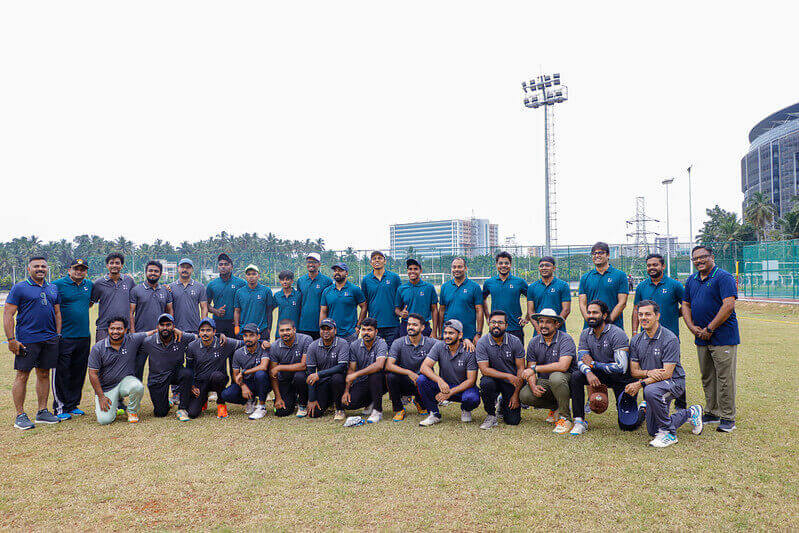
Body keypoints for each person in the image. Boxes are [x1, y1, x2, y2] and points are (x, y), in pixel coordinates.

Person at [625, 300, 704, 447]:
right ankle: (691, 413)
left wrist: (641, 382)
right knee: (653, 430)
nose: (643, 318)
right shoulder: (636, 340)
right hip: (655, 384)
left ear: (657, 316)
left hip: (674, 383)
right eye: (640, 314)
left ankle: (669, 433)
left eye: (648, 314)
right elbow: (634, 371)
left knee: (650, 390)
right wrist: (649, 372)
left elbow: (667, 373)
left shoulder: (669, 338)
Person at [682, 245, 740, 433]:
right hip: (701, 338)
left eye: (702, 257)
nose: (698, 261)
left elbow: (728, 305)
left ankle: (727, 417)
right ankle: (712, 412)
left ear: (711, 257)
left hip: (723, 337)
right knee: (707, 377)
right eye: (695, 259)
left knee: (725, 378)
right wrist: (692, 328)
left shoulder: (723, 277)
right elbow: (685, 305)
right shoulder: (692, 280)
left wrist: (710, 328)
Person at [4, 256, 62, 429]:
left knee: (44, 374)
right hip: (27, 340)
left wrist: (57, 334)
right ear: (29, 269)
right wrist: (11, 339)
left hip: (49, 339)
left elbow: (57, 312)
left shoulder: (52, 288)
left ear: (47, 268)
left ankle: (42, 411)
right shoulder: (20, 288)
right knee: (22, 375)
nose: (40, 269)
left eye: (43, 266)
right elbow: (8, 314)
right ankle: (20, 415)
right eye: (36, 266)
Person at [569, 299, 642, 435]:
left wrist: (593, 364)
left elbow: (621, 367)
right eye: (589, 312)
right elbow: (581, 360)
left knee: (628, 426)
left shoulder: (617, 333)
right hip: (597, 374)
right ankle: (579, 421)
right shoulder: (586, 333)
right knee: (576, 376)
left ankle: (643, 410)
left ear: (604, 315)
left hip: (620, 378)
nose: (591, 315)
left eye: (595, 313)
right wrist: (589, 373)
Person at [632, 253, 687, 409]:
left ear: (663, 266)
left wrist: (675, 315)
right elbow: (636, 310)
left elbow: (686, 306)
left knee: (674, 369)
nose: (651, 268)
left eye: (655, 265)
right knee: (649, 366)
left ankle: (681, 405)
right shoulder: (642, 286)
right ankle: (651, 398)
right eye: (649, 265)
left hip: (669, 336)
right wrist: (635, 332)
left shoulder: (675, 285)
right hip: (647, 336)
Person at [519, 309, 576, 434]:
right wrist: (533, 386)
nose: (543, 325)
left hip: (567, 382)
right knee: (525, 395)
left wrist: (535, 369)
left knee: (556, 377)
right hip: (547, 382)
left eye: (548, 322)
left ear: (556, 324)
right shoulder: (534, 341)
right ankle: (555, 406)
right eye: (541, 321)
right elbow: (530, 369)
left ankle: (565, 418)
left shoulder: (565, 339)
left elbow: (563, 366)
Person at [416, 319, 480, 426]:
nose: (447, 336)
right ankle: (434, 413)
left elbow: (471, 380)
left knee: (471, 399)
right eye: (445, 333)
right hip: (445, 387)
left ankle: (465, 409)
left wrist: (451, 392)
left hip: (463, 388)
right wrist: (439, 380)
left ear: (460, 335)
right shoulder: (439, 346)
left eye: (451, 333)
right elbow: (424, 367)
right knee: (421, 380)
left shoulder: (469, 350)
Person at [87, 316, 149, 424]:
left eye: (119, 329)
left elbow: (151, 333)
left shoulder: (132, 340)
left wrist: (173, 330)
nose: (115, 331)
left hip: (125, 382)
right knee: (104, 420)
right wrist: (101, 397)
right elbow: (92, 374)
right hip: (106, 388)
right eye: (112, 329)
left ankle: (132, 411)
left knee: (137, 386)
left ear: (125, 330)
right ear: (108, 330)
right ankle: (113, 406)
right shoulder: (98, 348)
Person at [51, 258, 93, 420]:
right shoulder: (57, 284)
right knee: (62, 372)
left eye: (82, 269)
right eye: (76, 268)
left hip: (83, 336)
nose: (79, 271)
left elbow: (89, 303)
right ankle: (60, 407)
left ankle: (73, 405)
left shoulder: (88, 285)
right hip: (64, 337)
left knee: (78, 372)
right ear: (69, 270)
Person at [184, 318, 244, 419]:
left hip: (218, 379)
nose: (205, 333)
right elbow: (189, 368)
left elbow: (243, 343)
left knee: (217, 376)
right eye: (202, 330)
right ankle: (203, 400)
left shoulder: (223, 343)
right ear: (199, 332)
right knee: (192, 413)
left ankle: (221, 403)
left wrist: (262, 342)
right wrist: (192, 385)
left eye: (208, 330)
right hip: (201, 382)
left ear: (214, 331)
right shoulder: (192, 346)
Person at [475, 310, 525, 429]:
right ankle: (491, 415)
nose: (496, 325)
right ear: (489, 323)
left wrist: (516, 395)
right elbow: (485, 370)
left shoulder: (515, 341)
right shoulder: (482, 342)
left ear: (506, 325)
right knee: (486, 383)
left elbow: (521, 369)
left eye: (500, 322)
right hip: (494, 380)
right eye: (493, 322)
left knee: (513, 421)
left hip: (512, 382)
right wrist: (507, 376)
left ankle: (503, 402)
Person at [140, 314, 195, 420]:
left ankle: (182, 409)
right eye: (162, 325)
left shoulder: (181, 338)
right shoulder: (148, 342)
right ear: (157, 327)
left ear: (173, 326)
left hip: (175, 373)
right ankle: (166, 403)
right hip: (158, 377)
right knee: (161, 413)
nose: (165, 328)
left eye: (168, 325)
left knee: (187, 373)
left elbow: (199, 337)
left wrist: (182, 333)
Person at [129, 260, 174, 380]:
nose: (153, 273)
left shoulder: (165, 290)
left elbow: (170, 311)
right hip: (141, 335)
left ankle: (160, 396)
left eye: (156, 271)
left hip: (160, 336)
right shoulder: (136, 290)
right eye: (150, 271)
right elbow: (130, 313)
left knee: (160, 369)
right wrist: (133, 332)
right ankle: (136, 397)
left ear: (160, 273)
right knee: (137, 369)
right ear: (146, 272)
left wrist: (170, 329)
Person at [385, 313, 434, 421]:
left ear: (423, 327)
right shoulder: (398, 342)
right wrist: (408, 372)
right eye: (409, 324)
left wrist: (467, 341)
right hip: (405, 381)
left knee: (424, 378)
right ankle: (399, 409)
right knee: (391, 376)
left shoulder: (431, 342)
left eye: (415, 325)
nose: (410, 327)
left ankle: (419, 401)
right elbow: (389, 365)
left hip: (422, 381)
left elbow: (448, 346)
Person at [221, 322, 271, 420]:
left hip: (263, 382)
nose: (248, 338)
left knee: (260, 374)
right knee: (226, 394)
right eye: (245, 336)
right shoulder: (238, 353)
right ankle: (251, 400)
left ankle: (261, 406)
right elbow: (236, 375)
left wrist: (244, 372)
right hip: (247, 383)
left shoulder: (263, 347)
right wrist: (243, 386)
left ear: (258, 336)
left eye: (252, 335)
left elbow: (263, 367)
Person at [342, 318, 387, 423]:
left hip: (380, 380)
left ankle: (377, 410)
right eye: (364, 330)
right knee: (349, 404)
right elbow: (351, 369)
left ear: (376, 331)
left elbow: (379, 365)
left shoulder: (381, 343)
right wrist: (347, 390)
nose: (366, 333)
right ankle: (371, 401)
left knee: (375, 373)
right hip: (362, 382)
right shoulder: (354, 345)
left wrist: (357, 374)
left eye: (369, 330)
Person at [578, 242, 628, 329]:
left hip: (614, 327)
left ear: (608, 255)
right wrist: (590, 320)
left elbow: (622, 303)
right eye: (594, 253)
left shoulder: (620, 275)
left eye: (600, 253)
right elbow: (582, 304)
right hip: (591, 328)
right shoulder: (585, 277)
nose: (597, 255)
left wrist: (608, 321)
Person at [305, 318, 349, 420]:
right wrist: (312, 399)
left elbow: (342, 366)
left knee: (336, 378)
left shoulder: (342, 343)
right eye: (323, 329)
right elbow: (311, 374)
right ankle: (329, 402)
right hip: (323, 383)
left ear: (335, 330)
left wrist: (319, 374)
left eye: (329, 329)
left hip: (339, 381)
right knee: (314, 414)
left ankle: (339, 409)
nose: (326, 332)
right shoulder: (313, 346)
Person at [481, 252, 529, 345]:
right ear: (496, 265)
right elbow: (483, 299)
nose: (503, 266)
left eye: (506, 263)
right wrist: (487, 317)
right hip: (496, 327)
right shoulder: (489, 282)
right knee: (495, 357)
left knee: (517, 357)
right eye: (500, 263)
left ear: (510, 265)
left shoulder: (520, 282)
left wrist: (527, 318)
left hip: (515, 327)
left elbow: (531, 299)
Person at [269, 319, 312, 417]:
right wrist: (278, 397)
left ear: (294, 330)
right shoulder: (275, 346)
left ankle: (302, 404)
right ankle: (292, 398)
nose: (285, 333)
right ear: (278, 332)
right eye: (282, 330)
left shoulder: (306, 340)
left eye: (288, 330)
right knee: (281, 412)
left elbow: (303, 365)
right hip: (285, 379)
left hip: (302, 378)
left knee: (299, 376)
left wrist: (279, 367)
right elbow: (273, 375)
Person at [360, 250, 402, 346]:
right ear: (371, 262)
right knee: (375, 355)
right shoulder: (366, 280)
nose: (377, 260)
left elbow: (400, 298)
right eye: (374, 259)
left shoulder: (394, 277)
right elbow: (364, 303)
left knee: (393, 355)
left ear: (385, 261)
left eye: (380, 258)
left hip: (392, 324)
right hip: (374, 325)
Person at [439, 258, 484, 345]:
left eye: (460, 267)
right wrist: (440, 332)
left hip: (469, 335)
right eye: (454, 267)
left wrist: (478, 333)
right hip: (449, 335)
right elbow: (441, 311)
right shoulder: (445, 287)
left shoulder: (474, 287)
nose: (456, 269)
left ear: (465, 268)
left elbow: (479, 311)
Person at [91, 253, 135, 341]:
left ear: (122, 265)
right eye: (111, 263)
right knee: (103, 354)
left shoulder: (129, 281)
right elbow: (91, 301)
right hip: (104, 328)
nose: (114, 265)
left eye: (117, 263)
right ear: (107, 265)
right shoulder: (99, 283)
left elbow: (139, 294)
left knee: (124, 354)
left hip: (124, 328)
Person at [319, 262, 366, 343]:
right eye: (335, 270)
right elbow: (323, 311)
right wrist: (322, 329)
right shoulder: (327, 291)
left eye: (340, 270)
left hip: (350, 334)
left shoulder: (354, 289)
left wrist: (358, 326)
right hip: (331, 333)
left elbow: (364, 306)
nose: (337, 272)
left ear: (346, 273)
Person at [394, 258, 438, 337]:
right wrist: (401, 313)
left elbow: (434, 309)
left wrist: (434, 331)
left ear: (420, 271)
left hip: (423, 327)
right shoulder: (401, 289)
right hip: (406, 326)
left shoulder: (429, 287)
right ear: (407, 271)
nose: (412, 271)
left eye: (415, 269)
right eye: (410, 269)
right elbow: (397, 309)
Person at [526, 256, 571, 333]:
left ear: (554, 268)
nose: (544, 268)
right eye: (541, 266)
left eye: (547, 265)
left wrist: (554, 327)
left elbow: (566, 310)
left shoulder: (563, 285)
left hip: (558, 331)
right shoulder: (532, 287)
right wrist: (538, 329)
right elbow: (530, 311)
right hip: (539, 332)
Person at [206, 253, 246, 338]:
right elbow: (206, 304)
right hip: (218, 323)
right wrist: (215, 311)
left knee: (237, 348)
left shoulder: (241, 283)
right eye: (221, 264)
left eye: (226, 264)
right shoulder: (212, 284)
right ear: (218, 267)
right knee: (219, 348)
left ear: (231, 267)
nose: (223, 266)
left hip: (236, 323)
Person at [233, 264, 277, 341]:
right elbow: (237, 311)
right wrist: (237, 327)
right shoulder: (239, 292)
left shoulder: (266, 291)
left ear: (258, 276)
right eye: (248, 274)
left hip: (261, 330)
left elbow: (269, 311)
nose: (251, 276)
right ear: (245, 276)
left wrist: (269, 328)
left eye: (254, 274)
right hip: (245, 331)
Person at [296, 252, 333, 340]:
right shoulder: (301, 280)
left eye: (314, 262)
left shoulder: (327, 281)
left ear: (319, 264)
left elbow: (329, 304)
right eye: (309, 262)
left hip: (321, 326)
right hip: (303, 325)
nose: (311, 264)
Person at [168, 258, 207, 333]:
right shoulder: (170, 287)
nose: (185, 269)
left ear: (192, 269)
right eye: (182, 267)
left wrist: (203, 325)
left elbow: (204, 307)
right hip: (176, 329)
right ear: (178, 268)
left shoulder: (200, 287)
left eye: (188, 267)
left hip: (194, 328)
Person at [274, 270, 302, 339]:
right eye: (282, 280)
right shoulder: (277, 295)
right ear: (280, 281)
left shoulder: (298, 295)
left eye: (287, 279)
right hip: (281, 331)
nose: (285, 282)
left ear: (292, 281)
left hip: (295, 331)